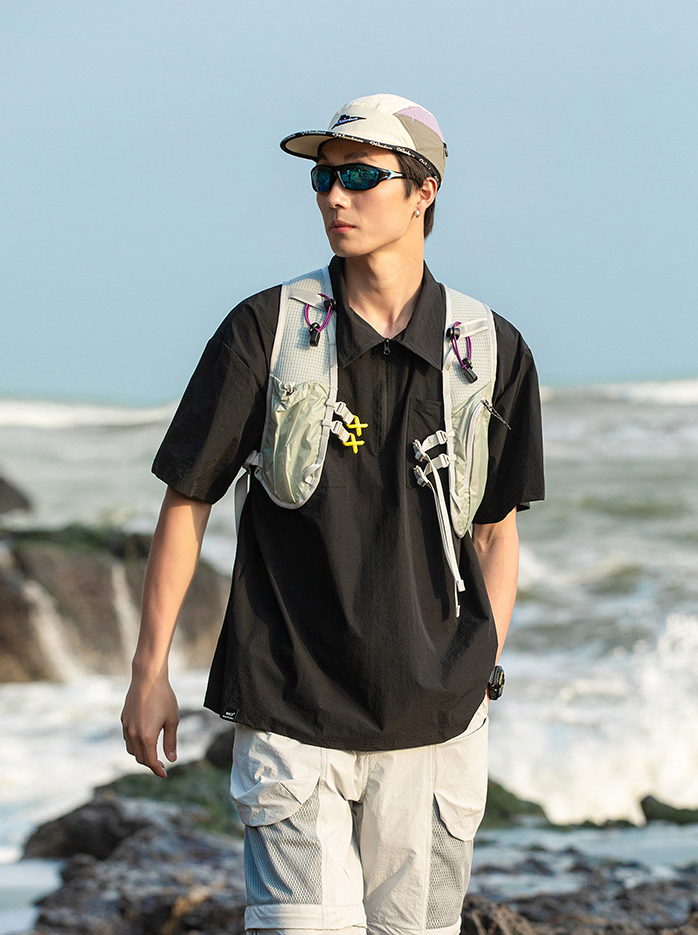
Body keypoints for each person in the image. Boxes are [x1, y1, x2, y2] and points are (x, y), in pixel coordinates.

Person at [121, 93, 544, 935]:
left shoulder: (489, 349)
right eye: (323, 178)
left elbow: (496, 530)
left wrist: (480, 666)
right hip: (290, 712)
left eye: (359, 176)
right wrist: (148, 669)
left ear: (423, 191)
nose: (333, 197)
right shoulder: (266, 331)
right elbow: (189, 497)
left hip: (435, 724)